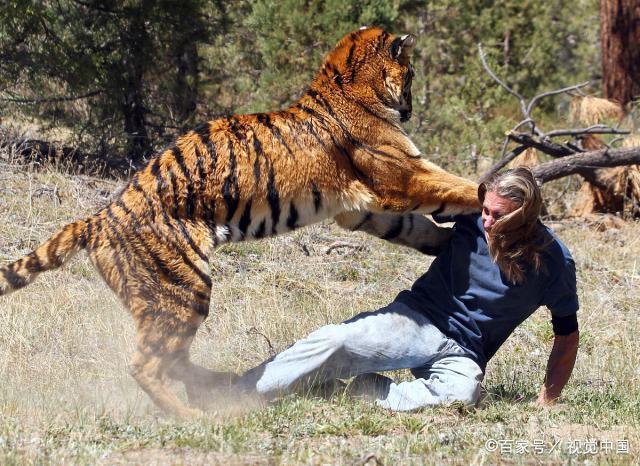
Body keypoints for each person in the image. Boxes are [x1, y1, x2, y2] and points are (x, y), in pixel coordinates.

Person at [236, 167, 579, 411]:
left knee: (463, 394)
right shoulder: (470, 212)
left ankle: (366, 393)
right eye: (485, 210)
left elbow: (566, 335)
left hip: (465, 351)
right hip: (418, 319)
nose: (486, 221)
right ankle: (237, 392)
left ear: (525, 216)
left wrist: (548, 398)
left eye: (498, 215)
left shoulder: (555, 263)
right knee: (336, 342)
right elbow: (415, 196)